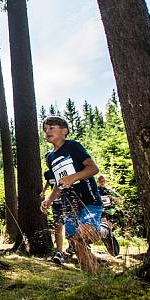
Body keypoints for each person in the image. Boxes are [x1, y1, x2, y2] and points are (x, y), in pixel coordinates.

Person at [40, 115, 114, 273]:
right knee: (75, 240)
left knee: (85, 234)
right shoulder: (51, 158)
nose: (47, 131)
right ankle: (90, 276)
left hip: (88, 200)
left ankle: (104, 230)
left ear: (64, 131)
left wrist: (73, 177)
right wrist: (49, 199)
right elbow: (58, 185)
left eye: (51, 128)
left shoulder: (73, 146)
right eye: (45, 129)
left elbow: (93, 168)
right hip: (68, 205)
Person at [41, 170, 65, 265]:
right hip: (56, 203)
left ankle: (76, 247)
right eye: (47, 161)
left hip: (67, 202)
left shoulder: (61, 170)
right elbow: (48, 182)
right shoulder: (47, 173)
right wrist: (43, 191)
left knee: (72, 225)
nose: (49, 163)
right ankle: (59, 252)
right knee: (58, 225)